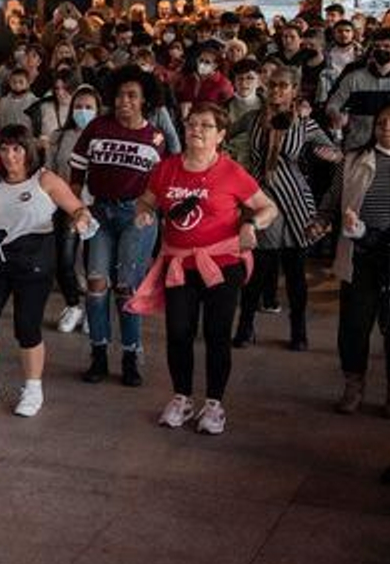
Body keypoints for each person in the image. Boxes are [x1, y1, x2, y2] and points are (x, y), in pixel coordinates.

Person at [128, 103, 279, 436]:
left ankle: (214, 404)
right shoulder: (166, 169)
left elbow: (268, 207)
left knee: (216, 333)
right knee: (179, 331)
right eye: (192, 123)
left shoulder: (231, 172)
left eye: (206, 125)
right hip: (179, 264)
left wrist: (251, 224)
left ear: (221, 135)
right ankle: (182, 398)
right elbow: (147, 200)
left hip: (222, 264)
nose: (196, 129)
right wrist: (145, 213)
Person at [0, 124, 93, 418]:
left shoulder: (44, 179)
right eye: (4, 149)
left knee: (27, 327)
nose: (10, 156)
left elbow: (77, 208)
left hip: (34, 261)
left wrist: (81, 219)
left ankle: (33, 389)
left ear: (29, 151)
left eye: (17, 149)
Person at [70, 66, 165, 386]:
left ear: (144, 101)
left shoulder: (155, 138)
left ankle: (130, 356)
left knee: (127, 288)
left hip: (136, 216)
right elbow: (76, 175)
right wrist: (77, 209)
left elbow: (161, 184)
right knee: (96, 284)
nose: (124, 101)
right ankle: (98, 353)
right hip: (99, 213)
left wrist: (149, 209)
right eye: (120, 94)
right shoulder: (97, 127)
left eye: (132, 96)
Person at [232, 66, 336, 351]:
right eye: (273, 85)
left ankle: (298, 331)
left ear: (294, 91)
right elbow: (223, 134)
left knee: (295, 272)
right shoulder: (252, 119)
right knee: (258, 269)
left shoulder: (305, 124)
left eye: (283, 86)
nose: (277, 90)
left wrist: (324, 153)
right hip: (261, 199)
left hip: (295, 200)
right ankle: (245, 326)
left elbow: (335, 152)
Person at [323, 102, 390, 415]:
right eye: (382, 122)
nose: (387, 127)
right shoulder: (352, 159)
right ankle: (354, 384)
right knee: (354, 324)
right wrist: (322, 219)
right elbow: (332, 199)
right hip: (359, 254)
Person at [47, 84, 100, 334]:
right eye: (78, 107)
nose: (83, 111)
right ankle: (73, 305)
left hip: (96, 207)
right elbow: (49, 171)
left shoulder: (103, 137)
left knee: (93, 263)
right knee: (63, 260)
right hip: (64, 205)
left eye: (89, 107)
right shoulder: (59, 136)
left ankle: (93, 310)